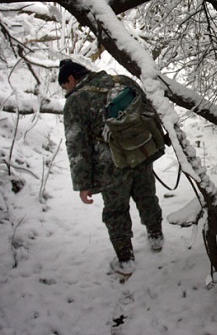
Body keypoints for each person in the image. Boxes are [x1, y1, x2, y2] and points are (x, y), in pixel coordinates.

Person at [58, 59, 164, 276]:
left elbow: (77, 145)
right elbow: (149, 110)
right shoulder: (121, 81)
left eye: (64, 86)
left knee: (116, 211)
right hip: (139, 152)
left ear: (70, 78)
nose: (65, 91)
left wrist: (83, 184)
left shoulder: (76, 102)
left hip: (110, 165)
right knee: (147, 196)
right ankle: (156, 236)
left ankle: (126, 259)